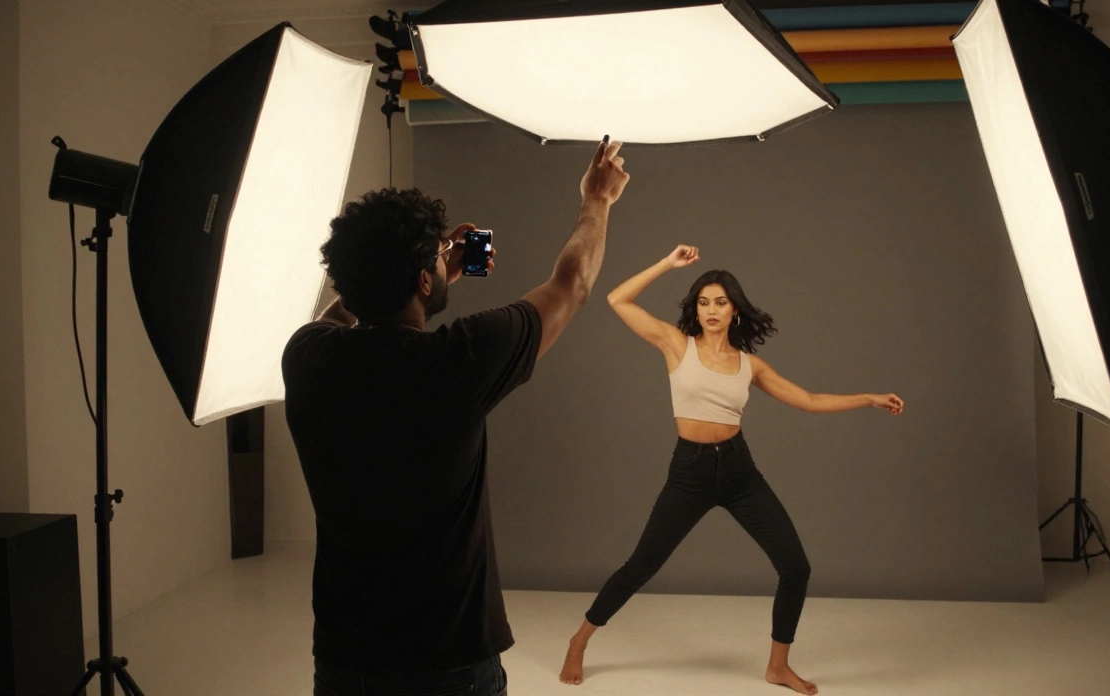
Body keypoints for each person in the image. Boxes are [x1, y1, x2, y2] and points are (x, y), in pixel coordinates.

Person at [283, 139, 631, 696]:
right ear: (423, 282)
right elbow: (572, 287)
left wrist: (423, 276)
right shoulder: (459, 359)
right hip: (447, 662)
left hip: (347, 659)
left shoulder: (305, 356)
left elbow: (339, 313)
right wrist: (597, 202)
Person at [559, 245, 904, 695]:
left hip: (739, 472)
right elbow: (617, 300)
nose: (711, 310)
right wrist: (668, 264)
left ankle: (778, 666)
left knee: (795, 567)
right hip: (690, 472)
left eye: (720, 302)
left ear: (735, 309)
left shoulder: (750, 365)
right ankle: (579, 640)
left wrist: (868, 398)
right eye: (703, 302)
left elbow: (810, 400)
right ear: (695, 310)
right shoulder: (675, 344)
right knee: (639, 567)